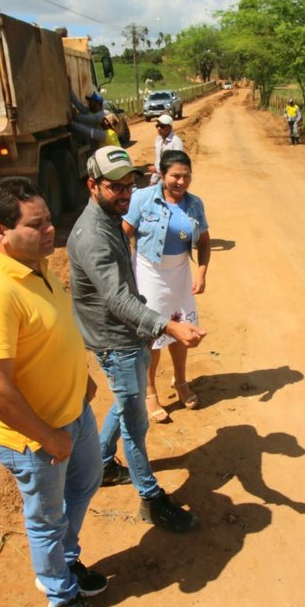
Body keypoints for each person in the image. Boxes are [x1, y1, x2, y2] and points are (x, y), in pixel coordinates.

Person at [0, 177, 109, 607]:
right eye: (36, 224)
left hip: (73, 412)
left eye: (48, 220)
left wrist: (81, 380)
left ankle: (64, 559)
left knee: (86, 483)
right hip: (35, 437)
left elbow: (51, 333)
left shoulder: (36, 264)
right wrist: (48, 437)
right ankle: (61, 598)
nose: (50, 230)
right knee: (46, 518)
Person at [67, 145, 205, 532]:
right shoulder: (93, 236)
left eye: (130, 186)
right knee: (135, 422)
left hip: (129, 331)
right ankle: (150, 498)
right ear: (92, 185)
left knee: (126, 399)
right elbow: (116, 298)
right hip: (115, 339)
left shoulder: (110, 216)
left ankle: (102, 461)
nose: (125, 194)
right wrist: (167, 326)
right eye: (116, 187)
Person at [122, 150, 210, 424]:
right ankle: (150, 391)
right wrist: (123, 277)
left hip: (180, 273)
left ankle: (180, 381)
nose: (181, 182)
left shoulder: (195, 204)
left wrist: (202, 272)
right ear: (161, 174)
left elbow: (204, 241)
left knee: (182, 330)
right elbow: (122, 237)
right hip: (148, 273)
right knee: (153, 335)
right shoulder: (142, 199)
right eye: (175, 176)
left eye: (186, 176)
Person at [147, 114, 184, 185]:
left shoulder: (176, 142)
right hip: (160, 178)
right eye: (157, 126)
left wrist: (158, 170)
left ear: (170, 127)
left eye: (162, 126)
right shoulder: (158, 140)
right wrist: (153, 181)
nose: (159, 128)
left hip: (170, 180)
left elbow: (177, 164)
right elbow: (158, 161)